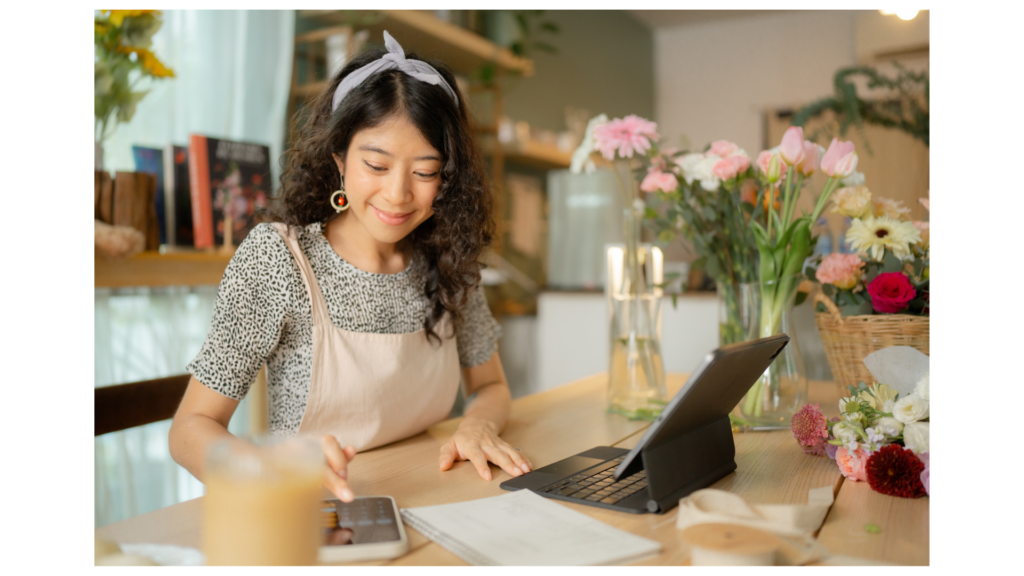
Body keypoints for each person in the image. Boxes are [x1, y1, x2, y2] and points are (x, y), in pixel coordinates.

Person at [169, 31, 531, 502]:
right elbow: (190, 429)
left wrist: (478, 426)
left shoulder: (449, 257)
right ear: (339, 156)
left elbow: (491, 385)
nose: (398, 194)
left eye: (424, 172)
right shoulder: (279, 259)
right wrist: (269, 469)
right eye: (376, 166)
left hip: (435, 495)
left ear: (448, 177)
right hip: (314, 513)